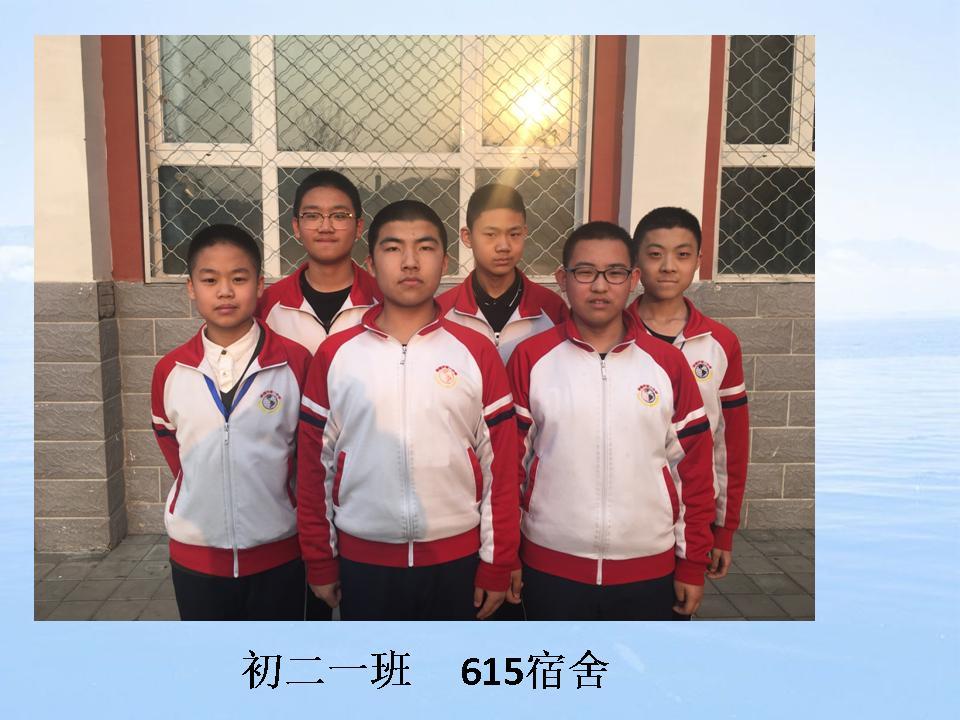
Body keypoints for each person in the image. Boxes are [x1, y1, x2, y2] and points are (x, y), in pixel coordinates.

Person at [297, 200, 521, 620]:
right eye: (393, 248)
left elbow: (502, 467)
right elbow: (313, 466)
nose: (410, 261)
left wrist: (497, 561)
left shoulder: (475, 352)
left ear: (445, 261)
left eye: (425, 247)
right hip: (363, 560)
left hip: (457, 558)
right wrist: (319, 558)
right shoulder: (336, 354)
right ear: (371, 263)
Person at [507, 221, 715, 620]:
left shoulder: (668, 364)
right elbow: (508, 468)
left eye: (615, 273)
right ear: (562, 280)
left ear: (633, 279)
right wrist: (507, 556)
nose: (600, 286)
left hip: (650, 568)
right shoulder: (531, 359)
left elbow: (694, 470)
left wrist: (692, 562)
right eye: (585, 272)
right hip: (551, 565)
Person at [151, 224, 313, 620]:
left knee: (273, 654)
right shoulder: (171, 370)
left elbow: (309, 457)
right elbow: (174, 448)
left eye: (238, 279)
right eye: (210, 280)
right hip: (196, 556)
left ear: (259, 285)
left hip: (278, 554)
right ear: (191, 288)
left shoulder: (294, 362)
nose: (225, 291)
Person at [628, 207, 749, 594]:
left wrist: (724, 529)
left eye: (682, 254)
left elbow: (729, 444)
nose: (668, 266)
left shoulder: (719, 343)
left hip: (693, 515)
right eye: (655, 254)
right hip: (629, 511)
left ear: (698, 260)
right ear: (636, 263)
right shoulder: (613, 337)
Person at [437, 183, 567, 364]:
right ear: (467, 237)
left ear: (524, 233)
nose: (504, 246)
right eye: (491, 234)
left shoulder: (552, 309)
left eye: (514, 234)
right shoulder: (441, 311)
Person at [257, 169, 381, 354]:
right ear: (296, 227)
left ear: (358, 227)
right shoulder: (266, 305)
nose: (325, 227)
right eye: (312, 216)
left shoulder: (383, 299)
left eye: (339, 216)